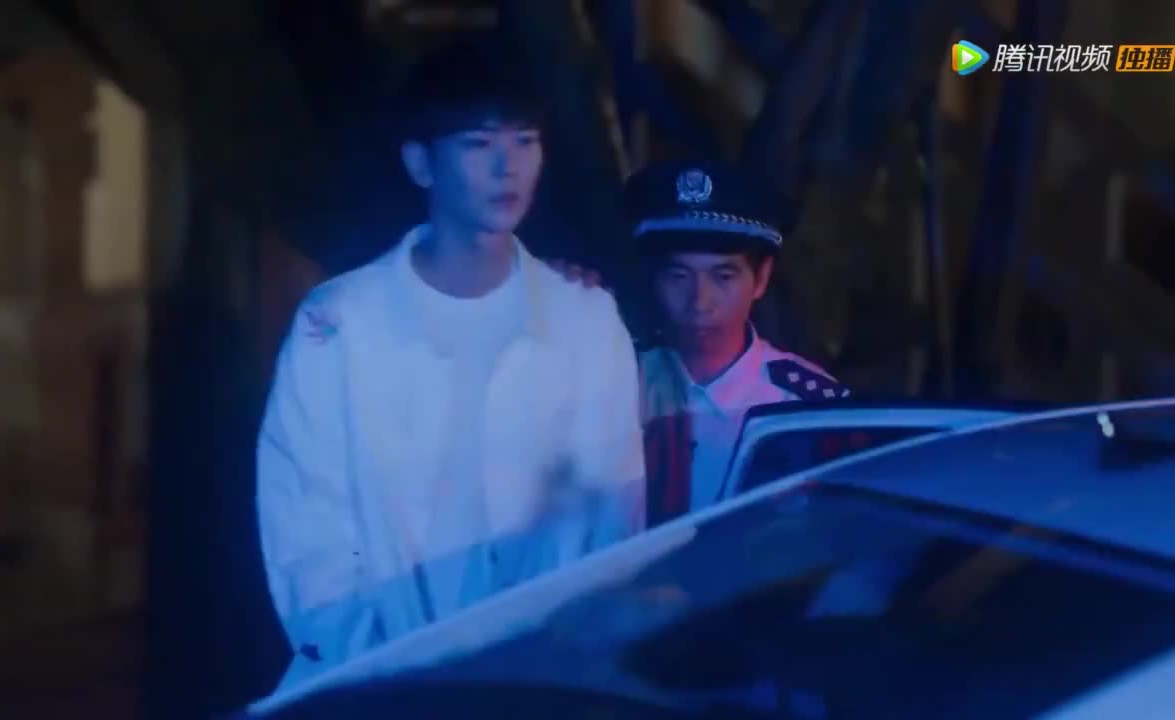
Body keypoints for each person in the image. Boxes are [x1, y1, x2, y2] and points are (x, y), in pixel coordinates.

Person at [255, 37, 645, 690]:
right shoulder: (340, 324)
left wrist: (563, 658)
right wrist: (376, 669)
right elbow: (308, 527)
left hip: (545, 680)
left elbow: (610, 518)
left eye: (525, 141)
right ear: (420, 162)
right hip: (377, 682)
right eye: (478, 143)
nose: (507, 167)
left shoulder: (584, 318)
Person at [626, 160, 851, 526]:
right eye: (679, 276)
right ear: (653, 277)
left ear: (761, 279)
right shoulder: (615, 381)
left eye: (723, 277)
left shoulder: (809, 407)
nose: (700, 302)